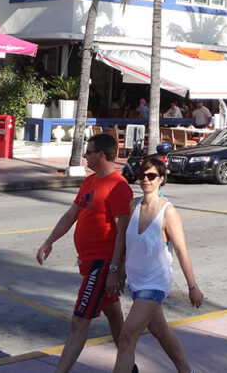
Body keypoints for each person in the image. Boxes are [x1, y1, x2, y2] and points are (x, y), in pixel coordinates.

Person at [36, 134, 133, 373]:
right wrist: (49, 241)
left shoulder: (118, 186)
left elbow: (124, 233)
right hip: (88, 263)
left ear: (101, 154)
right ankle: (129, 367)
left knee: (79, 321)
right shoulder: (90, 182)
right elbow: (71, 215)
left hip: (102, 265)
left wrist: (115, 270)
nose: (85, 156)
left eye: (89, 152)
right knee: (113, 314)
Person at [112, 156, 203, 373]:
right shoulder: (133, 205)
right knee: (160, 331)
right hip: (136, 281)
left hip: (154, 283)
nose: (145, 179)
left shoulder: (168, 212)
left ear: (161, 179)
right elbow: (123, 241)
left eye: (151, 175)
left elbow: (181, 251)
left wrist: (193, 287)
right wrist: (117, 270)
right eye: (142, 175)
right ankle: (185, 370)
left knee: (126, 336)